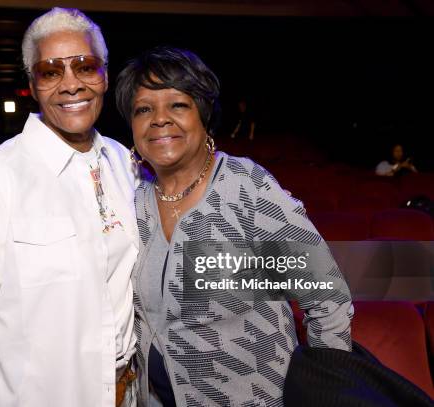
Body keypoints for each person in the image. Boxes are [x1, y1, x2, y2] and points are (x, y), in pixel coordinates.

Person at [0, 8, 139, 407]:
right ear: (33, 85)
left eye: (85, 66)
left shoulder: (123, 162)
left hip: (128, 392)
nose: (71, 85)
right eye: (51, 71)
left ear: (104, 75)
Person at [115, 47, 353, 406]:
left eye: (177, 105)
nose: (159, 119)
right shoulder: (134, 203)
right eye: (143, 109)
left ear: (203, 115)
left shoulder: (247, 188)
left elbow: (326, 298)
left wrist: (328, 394)